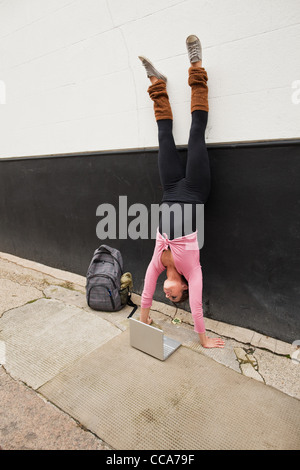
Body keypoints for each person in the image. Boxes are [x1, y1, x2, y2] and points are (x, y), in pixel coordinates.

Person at [138, 35, 225, 349]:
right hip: (196, 191)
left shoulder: (158, 264)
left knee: (164, 136)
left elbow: (147, 291)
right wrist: (202, 339)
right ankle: (196, 68)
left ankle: (156, 84)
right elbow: (197, 309)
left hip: (171, 188)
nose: (168, 294)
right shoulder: (193, 270)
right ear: (184, 288)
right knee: (195, 131)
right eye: (174, 296)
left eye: (168, 297)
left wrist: (144, 319)